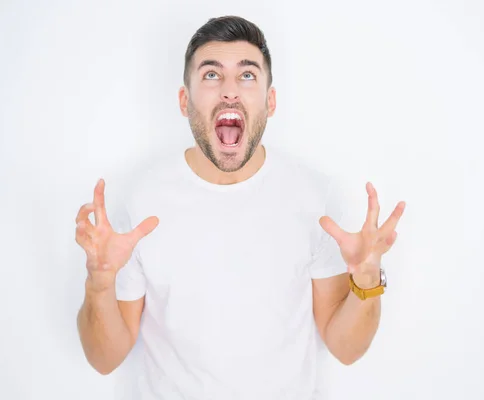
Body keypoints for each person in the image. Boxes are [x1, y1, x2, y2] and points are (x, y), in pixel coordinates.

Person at [75, 15, 406, 400]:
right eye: (211, 75)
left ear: (271, 100)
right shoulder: (143, 202)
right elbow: (104, 359)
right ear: (185, 101)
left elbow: (346, 349)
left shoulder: (314, 199)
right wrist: (99, 281)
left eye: (247, 75)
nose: (230, 91)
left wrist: (367, 278)